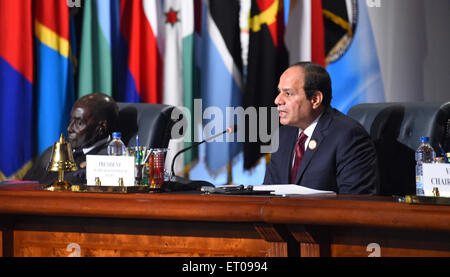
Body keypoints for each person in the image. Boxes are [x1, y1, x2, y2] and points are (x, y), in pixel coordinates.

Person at [263, 62, 379, 194]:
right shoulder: (283, 135)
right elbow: (269, 193)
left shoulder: (348, 136)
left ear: (315, 99)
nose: (277, 100)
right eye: (279, 92)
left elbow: (355, 203)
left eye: (288, 94)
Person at [23, 93, 119, 185]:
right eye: (71, 120)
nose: (69, 128)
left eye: (79, 123)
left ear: (101, 128)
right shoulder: (52, 152)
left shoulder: (109, 162)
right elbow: (24, 186)